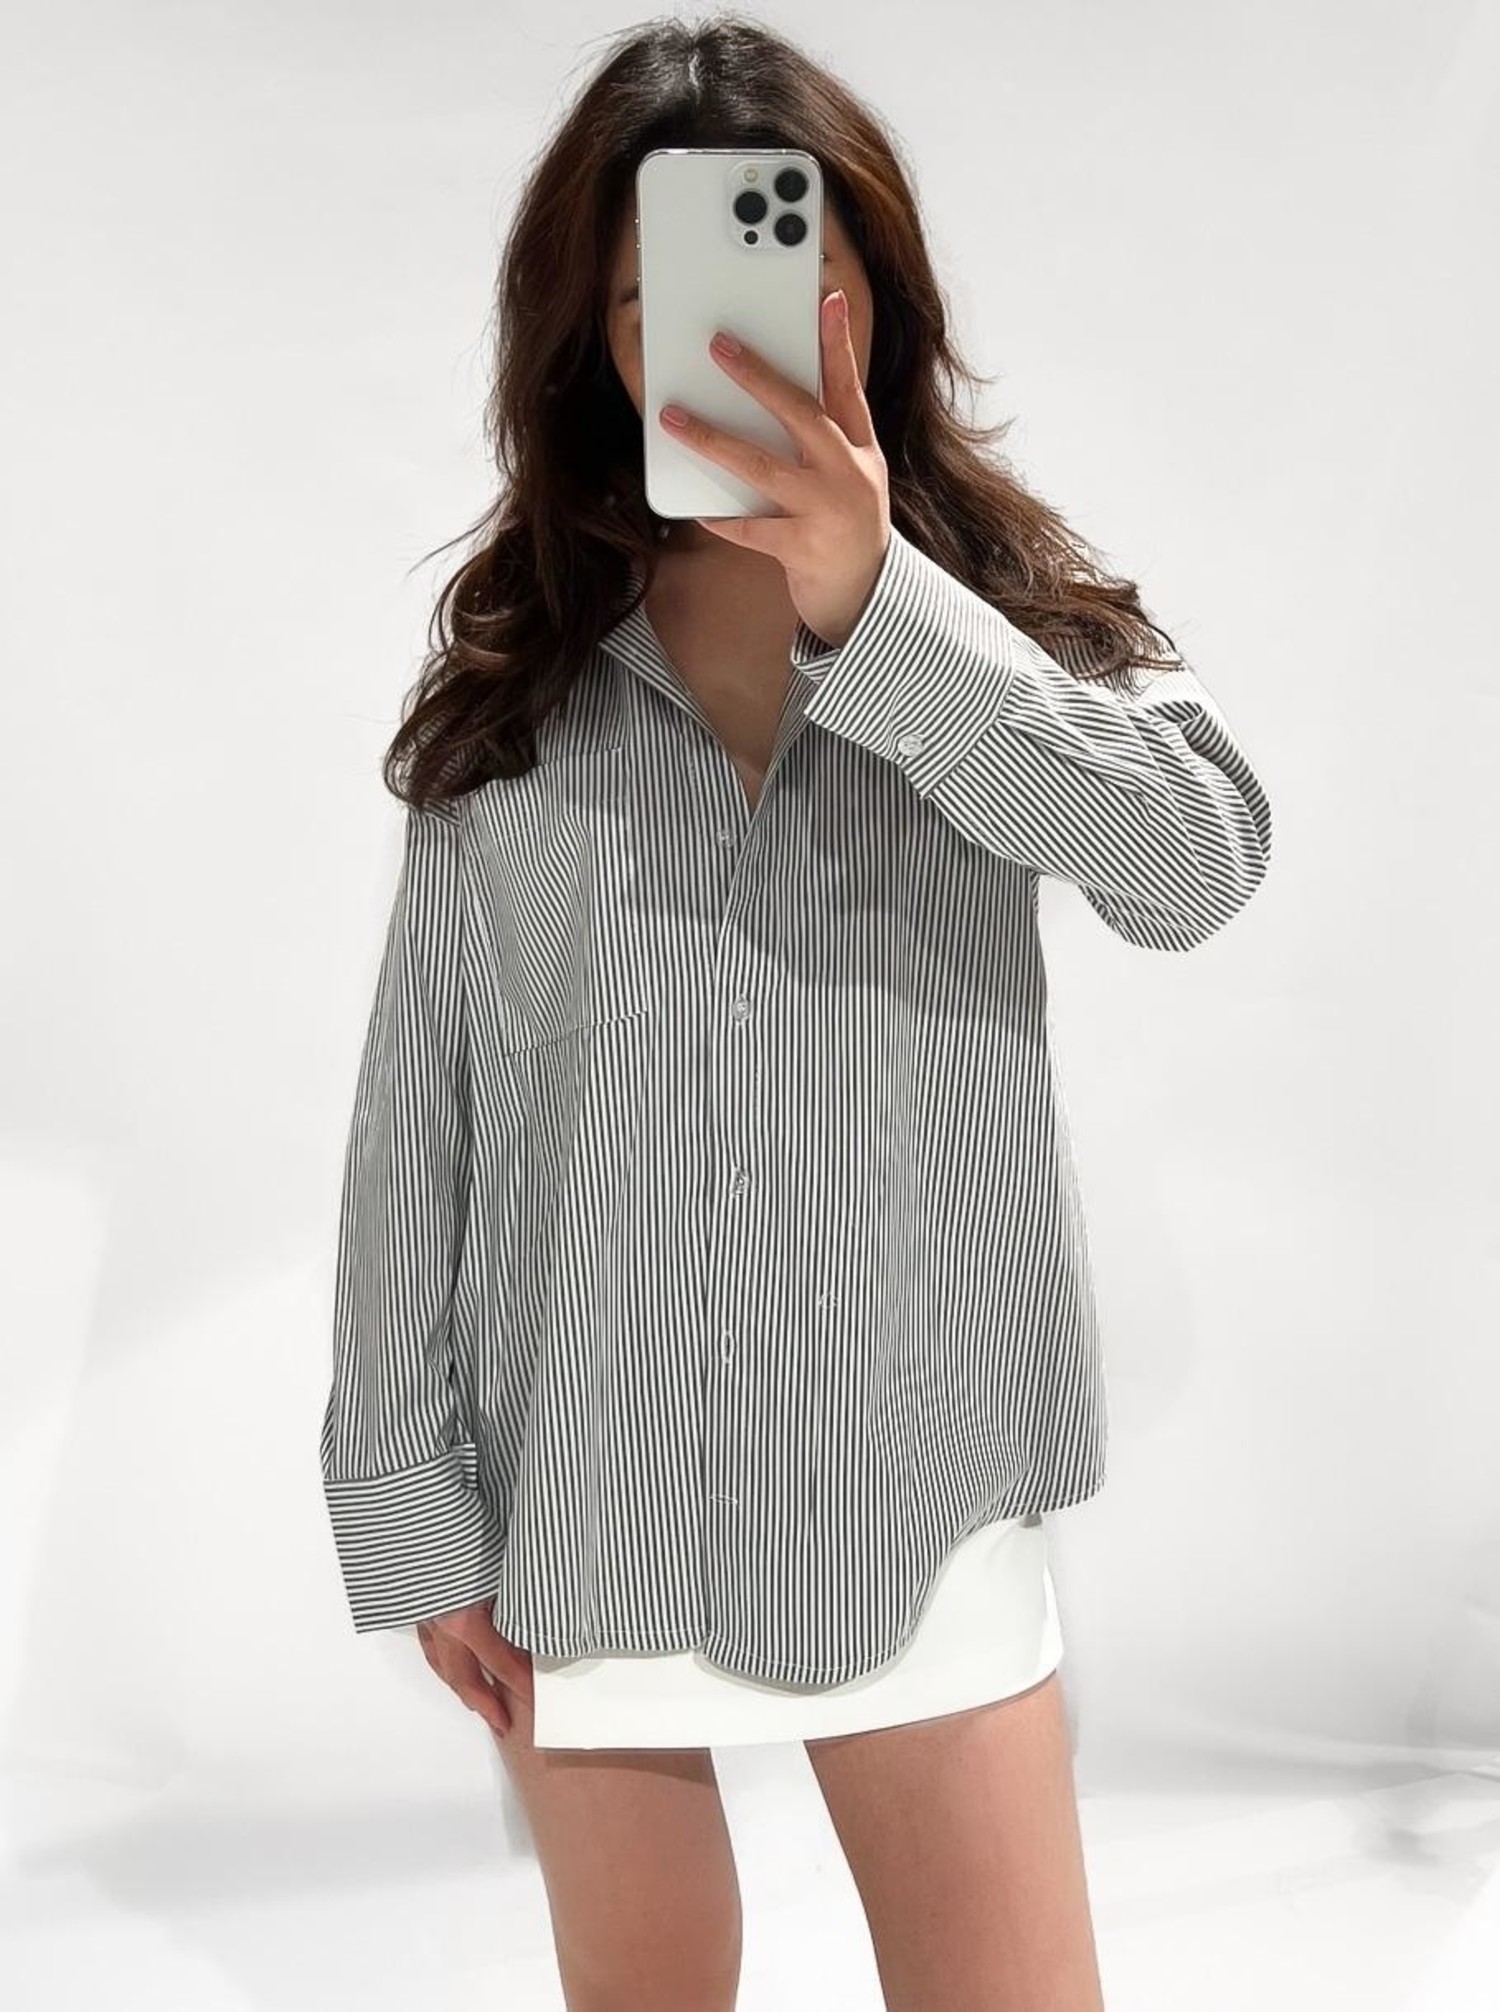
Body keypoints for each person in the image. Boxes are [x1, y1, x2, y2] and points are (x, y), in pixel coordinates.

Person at [318, 16, 1272, 2012]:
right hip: (593, 1487)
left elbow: (1191, 871)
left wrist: (879, 607)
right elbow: (424, 1114)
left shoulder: (1003, 623)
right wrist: (412, 1503)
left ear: (873, 299)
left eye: (788, 276)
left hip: (915, 1475)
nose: (731, 340)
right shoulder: (521, 683)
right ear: (591, 341)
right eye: (656, 302)